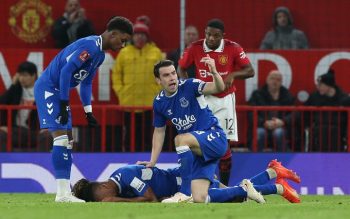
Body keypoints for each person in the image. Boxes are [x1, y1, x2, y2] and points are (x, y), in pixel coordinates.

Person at [34, 16, 133, 202]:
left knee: (68, 140)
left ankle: (65, 192)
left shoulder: (100, 55)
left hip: (59, 92)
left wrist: (88, 111)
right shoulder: (90, 46)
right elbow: (65, 72)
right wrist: (63, 103)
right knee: (61, 139)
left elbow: (86, 82)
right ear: (113, 34)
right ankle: (62, 194)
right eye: (123, 40)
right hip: (49, 88)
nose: (123, 45)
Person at [134, 59, 227, 203]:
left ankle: (183, 193)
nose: (172, 78)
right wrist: (152, 161)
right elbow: (159, 131)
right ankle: (247, 191)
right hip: (197, 152)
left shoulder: (190, 85)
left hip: (214, 137)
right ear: (158, 80)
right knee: (200, 197)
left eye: (173, 73)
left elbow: (218, 88)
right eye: (166, 75)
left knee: (180, 139)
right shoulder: (159, 102)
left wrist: (214, 71)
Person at [178, 19, 255, 186]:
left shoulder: (233, 48)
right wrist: (188, 86)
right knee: (199, 142)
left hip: (225, 101)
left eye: (216, 36)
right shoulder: (195, 48)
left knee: (223, 146)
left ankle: (225, 186)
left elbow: (250, 71)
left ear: (223, 36)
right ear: (204, 32)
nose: (211, 38)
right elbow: (181, 67)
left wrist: (233, 75)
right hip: (203, 99)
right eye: (208, 34)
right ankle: (198, 183)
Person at [72, 159, 301, 203]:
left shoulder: (127, 177)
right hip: (182, 180)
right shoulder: (122, 179)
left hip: (186, 177)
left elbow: (150, 200)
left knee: (227, 197)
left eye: (105, 197)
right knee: (233, 195)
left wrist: (117, 202)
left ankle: (278, 187)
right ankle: (273, 172)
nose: (109, 200)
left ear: (102, 187)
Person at [112, 16, 163, 151]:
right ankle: (129, 162)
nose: (140, 37)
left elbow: (163, 74)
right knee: (129, 136)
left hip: (149, 103)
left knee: (148, 136)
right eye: (137, 34)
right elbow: (116, 74)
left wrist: (157, 92)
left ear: (147, 37)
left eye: (142, 35)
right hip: (129, 103)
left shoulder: (156, 52)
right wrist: (121, 92)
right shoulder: (124, 52)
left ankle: (148, 163)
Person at [247, 70, 295, 152]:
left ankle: (283, 160)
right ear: (267, 80)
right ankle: (254, 160)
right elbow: (251, 113)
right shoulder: (257, 94)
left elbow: (294, 113)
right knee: (260, 133)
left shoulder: (287, 95)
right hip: (261, 126)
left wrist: (283, 122)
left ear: (281, 82)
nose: (275, 81)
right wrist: (264, 123)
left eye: (278, 79)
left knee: (279, 133)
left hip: (280, 126)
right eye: (272, 78)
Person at [304, 69, 348, 151]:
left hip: (338, 134)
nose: (318, 87)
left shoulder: (344, 99)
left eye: (320, 85)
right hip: (318, 133)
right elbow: (304, 112)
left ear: (329, 85)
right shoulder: (314, 96)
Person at [0, 61, 38, 151]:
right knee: (1, 134)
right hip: (15, 130)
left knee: (48, 136)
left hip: (33, 131)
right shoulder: (16, 90)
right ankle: (5, 162)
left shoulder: (42, 92)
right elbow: (2, 102)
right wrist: (13, 85)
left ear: (33, 76)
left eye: (25, 75)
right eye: (20, 75)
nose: (22, 78)